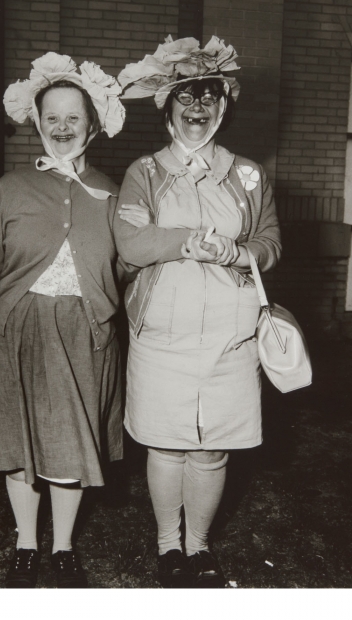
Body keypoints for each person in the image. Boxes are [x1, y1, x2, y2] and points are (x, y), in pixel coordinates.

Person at [113, 36, 281, 588]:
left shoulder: (249, 176)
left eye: (209, 94)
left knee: (211, 452)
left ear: (223, 106)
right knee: (166, 444)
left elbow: (271, 242)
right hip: (162, 335)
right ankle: (167, 545)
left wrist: (239, 251)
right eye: (186, 94)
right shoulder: (145, 172)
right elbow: (133, 245)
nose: (198, 105)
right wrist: (187, 242)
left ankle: (199, 546)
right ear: (168, 105)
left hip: (231, 341)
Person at [0, 53, 130, 588]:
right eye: (51, 117)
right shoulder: (10, 188)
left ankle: (63, 548)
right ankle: (26, 543)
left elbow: (128, 264)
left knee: (69, 446)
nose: (62, 127)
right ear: (37, 123)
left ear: (93, 125)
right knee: (20, 444)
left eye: (73, 118)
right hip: (17, 330)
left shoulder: (112, 192)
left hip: (85, 333)